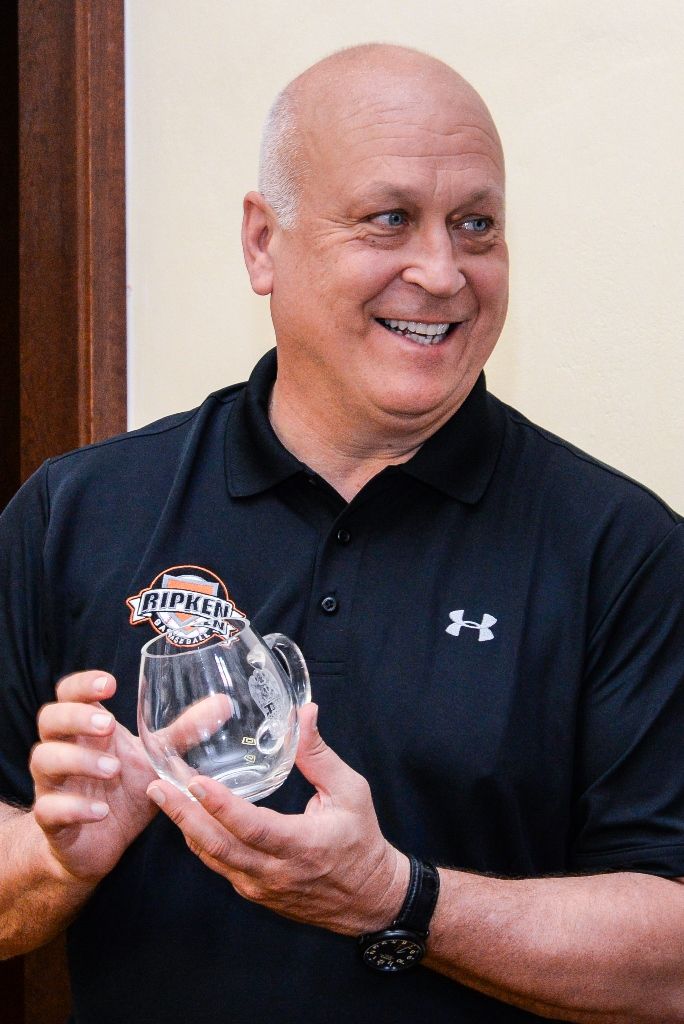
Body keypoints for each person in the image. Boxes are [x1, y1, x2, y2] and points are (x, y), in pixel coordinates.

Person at [1, 43, 683, 1024]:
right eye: (389, 218)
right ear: (262, 243)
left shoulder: (624, 551)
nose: (441, 272)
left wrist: (399, 899)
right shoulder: (76, 512)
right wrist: (52, 856)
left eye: (476, 225)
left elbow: (671, 958)